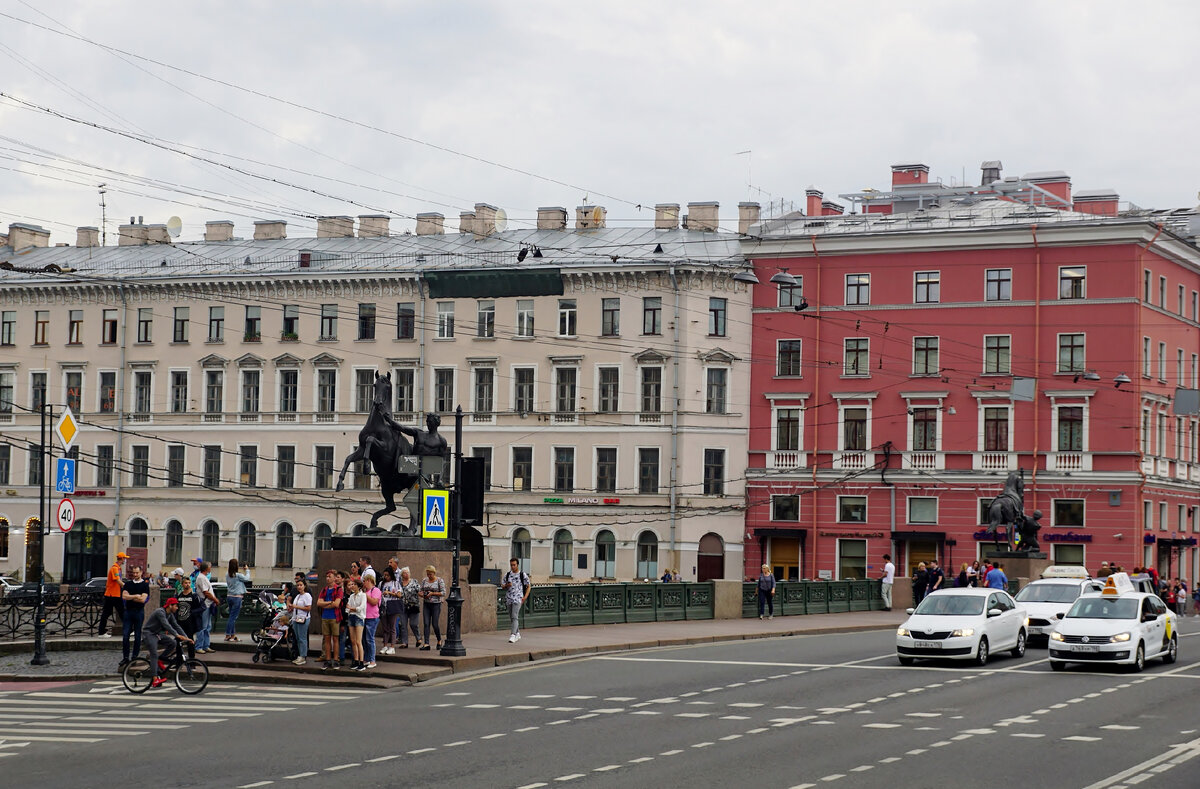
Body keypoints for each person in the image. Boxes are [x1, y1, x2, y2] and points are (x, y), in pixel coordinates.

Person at [142, 596, 194, 689]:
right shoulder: (160, 612)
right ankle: (155, 679)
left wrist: (187, 638)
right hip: (149, 633)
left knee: (172, 643)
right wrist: (177, 635)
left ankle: (160, 659)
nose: (177, 608)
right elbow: (166, 625)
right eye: (176, 606)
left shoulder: (170, 615)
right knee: (153, 654)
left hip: (157, 634)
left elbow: (176, 626)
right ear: (170, 605)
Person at [119, 564, 150, 668]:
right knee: (125, 636)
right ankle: (125, 657)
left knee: (137, 636)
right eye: (134, 573)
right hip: (128, 612)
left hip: (139, 612)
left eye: (137, 572)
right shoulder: (128, 584)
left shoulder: (145, 585)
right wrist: (136, 596)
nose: (135, 574)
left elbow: (143, 600)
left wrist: (131, 597)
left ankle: (135, 657)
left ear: (141, 573)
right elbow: (124, 596)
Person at [316, 570, 343, 670]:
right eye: (326, 576)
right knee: (327, 639)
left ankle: (336, 660)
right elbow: (318, 603)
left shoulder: (338, 589)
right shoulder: (324, 589)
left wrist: (325, 603)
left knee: (335, 639)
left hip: (334, 617)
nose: (327, 578)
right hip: (325, 616)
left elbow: (337, 604)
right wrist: (330, 603)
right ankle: (327, 660)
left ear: (334, 578)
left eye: (330, 576)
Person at [97, 552, 128, 637]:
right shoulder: (115, 568)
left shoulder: (117, 568)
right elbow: (117, 580)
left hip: (114, 594)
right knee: (120, 612)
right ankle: (129, 629)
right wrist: (127, 587)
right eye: (124, 558)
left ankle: (101, 631)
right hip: (113, 595)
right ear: (121, 559)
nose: (125, 560)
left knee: (108, 613)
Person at [193, 561, 220, 653]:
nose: (211, 567)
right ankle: (199, 646)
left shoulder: (203, 577)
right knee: (202, 626)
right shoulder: (201, 578)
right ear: (206, 568)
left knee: (207, 626)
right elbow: (206, 592)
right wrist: (215, 599)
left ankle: (206, 645)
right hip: (204, 605)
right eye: (210, 566)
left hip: (208, 604)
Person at [501, 558, 531, 642]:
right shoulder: (507, 575)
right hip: (509, 598)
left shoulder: (522, 575)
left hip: (518, 598)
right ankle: (517, 633)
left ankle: (513, 635)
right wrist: (507, 585)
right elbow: (502, 586)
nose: (512, 567)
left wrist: (525, 596)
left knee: (514, 616)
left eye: (514, 565)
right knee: (512, 617)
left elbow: (528, 586)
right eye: (511, 565)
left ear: (517, 565)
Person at [224, 558, 251, 643]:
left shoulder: (227, 575)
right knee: (233, 617)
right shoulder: (238, 575)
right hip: (237, 597)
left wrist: (244, 589)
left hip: (229, 596)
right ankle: (228, 635)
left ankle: (232, 635)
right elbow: (247, 579)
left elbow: (237, 584)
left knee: (231, 617)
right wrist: (247, 570)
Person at [420, 565, 445, 651]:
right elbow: (420, 590)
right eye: (427, 574)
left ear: (434, 573)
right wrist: (422, 594)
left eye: (430, 574)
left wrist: (432, 593)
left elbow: (443, 593)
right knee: (426, 623)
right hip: (426, 604)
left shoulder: (439, 580)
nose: (429, 576)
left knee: (435, 624)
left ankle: (439, 640)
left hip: (436, 604)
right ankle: (426, 643)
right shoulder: (424, 580)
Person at [288, 578, 312, 666]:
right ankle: (299, 655)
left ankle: (303, 656)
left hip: (303, 618)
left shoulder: (307, 596)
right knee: (297, 638)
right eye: (298, 585)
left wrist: (297, 607)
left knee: (302, 638)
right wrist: (292, 607)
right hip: (296, 618)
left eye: (301, 585)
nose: (299, 587)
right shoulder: (297, 596)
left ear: (304, 586)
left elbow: (308, 608)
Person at [344, 577, 366, 671]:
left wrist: (352, 608)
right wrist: (352, 609)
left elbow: (361, 607)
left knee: (358, 641)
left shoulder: (363, 595)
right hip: (351, 617)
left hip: (359, 617)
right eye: (351, 584)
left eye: (354, 584)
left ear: (358, 586)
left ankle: (361, 662)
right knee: (353, 641)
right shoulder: (351, 596)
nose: (352, 586)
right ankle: (356, 661)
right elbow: (347, 609)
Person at [379, 568, 401, 655]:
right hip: (384, 606)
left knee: (392, 627)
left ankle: (392, 646)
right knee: (385, 628)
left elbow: (399, 595)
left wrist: (390, 593)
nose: (386, 577)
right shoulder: (381, 583)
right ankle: (385, 645)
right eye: (385, 575)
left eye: (387, 575)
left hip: (392, 605)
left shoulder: (395, 583)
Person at [362, 573, 382, 669]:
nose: (363, 583)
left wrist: (365, 595)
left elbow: (374, 602)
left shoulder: (376, 590)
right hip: (364, 617)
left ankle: (372, 660)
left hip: (372, 617)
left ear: (369, 581)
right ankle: (366, 658)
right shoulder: (365, 591)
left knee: (370, 639)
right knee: (364, 639)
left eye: (364, 581)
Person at [398, 566, 421, 649]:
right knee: (403, 625)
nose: (406, 574)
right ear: (402, 575)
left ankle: (418, 638)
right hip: (403, 606)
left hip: (413, 605)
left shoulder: (414, 582)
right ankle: (405, 642)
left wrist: (422, 594)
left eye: (407, 572)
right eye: (404, 573)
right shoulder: (399, 583)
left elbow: (419, 590)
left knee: (413, 624)